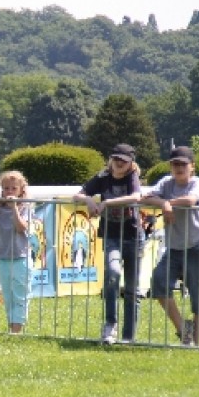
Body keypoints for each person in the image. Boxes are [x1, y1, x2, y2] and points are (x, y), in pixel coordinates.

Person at [141, 146, 199, 346]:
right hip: (173, 248)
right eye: (175, 164)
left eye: (183, 164)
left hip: (198, 246)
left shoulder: (197, 182)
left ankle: (195, 345)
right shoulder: (166, 182)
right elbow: (145, 197)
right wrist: (163, 204)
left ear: (192, 167)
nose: (179, 168)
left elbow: (190, 200)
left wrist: (167, 203)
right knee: (159, 283)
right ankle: (184, 330)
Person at [72, 144, 145, 344]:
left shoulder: (132, 177)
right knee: (112, 274)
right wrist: (89, 200)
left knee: (131, 289)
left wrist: (106, 203)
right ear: (111, 159)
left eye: (124, 160)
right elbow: (77, 195)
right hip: (111, 235)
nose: (119, 163)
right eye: (116, 158)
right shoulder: (103, 176)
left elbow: (136, 196)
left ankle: (128, 336)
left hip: (133, 236)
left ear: (131, 163)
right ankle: (110, 325)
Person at [0, 170, 32, 334]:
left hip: (21, 257)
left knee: (20, 294)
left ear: (21, 190)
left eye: (13, 188)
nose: (9, 192)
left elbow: (21, 228)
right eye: (6, 188)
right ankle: (12, 327)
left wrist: (14, 209)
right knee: (8, 295)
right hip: (3, 257)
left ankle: (17, 330)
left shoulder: (25, 206)